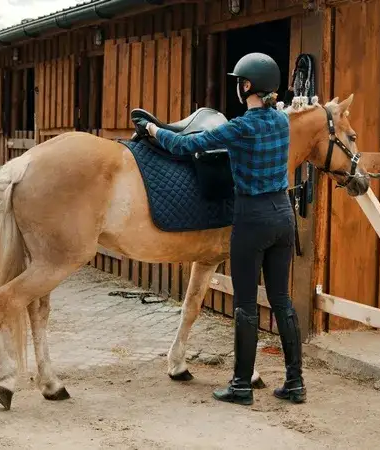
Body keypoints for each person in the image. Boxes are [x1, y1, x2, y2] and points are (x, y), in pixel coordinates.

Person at [132, 52, 306, 406]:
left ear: (246, 87)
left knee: (245, 305)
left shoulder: (240, 128)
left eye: (240, 83)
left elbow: (184, 144)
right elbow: (283, 112)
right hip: (282, 216)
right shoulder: (282, 122)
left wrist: (153, 130)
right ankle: (295, 384)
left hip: (252, 218)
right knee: (282, 301)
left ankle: (241, 386)